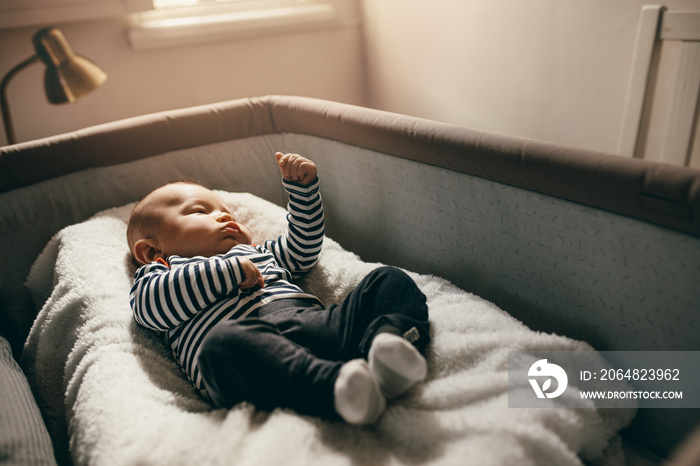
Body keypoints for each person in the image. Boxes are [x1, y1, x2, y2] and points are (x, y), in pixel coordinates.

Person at [127, 152, 430, 425]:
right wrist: (229, 272)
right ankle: (334, 386)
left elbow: (304, 248)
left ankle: (388, 344)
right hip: (253, 359)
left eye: (227, 212)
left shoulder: (260, 253)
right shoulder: (160, 274)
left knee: (386, 280)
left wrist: (303, 193)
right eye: (199, 211)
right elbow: (150, 308)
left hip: (314, 326)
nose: (225, 216)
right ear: (153, 252)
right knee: (219, 347)